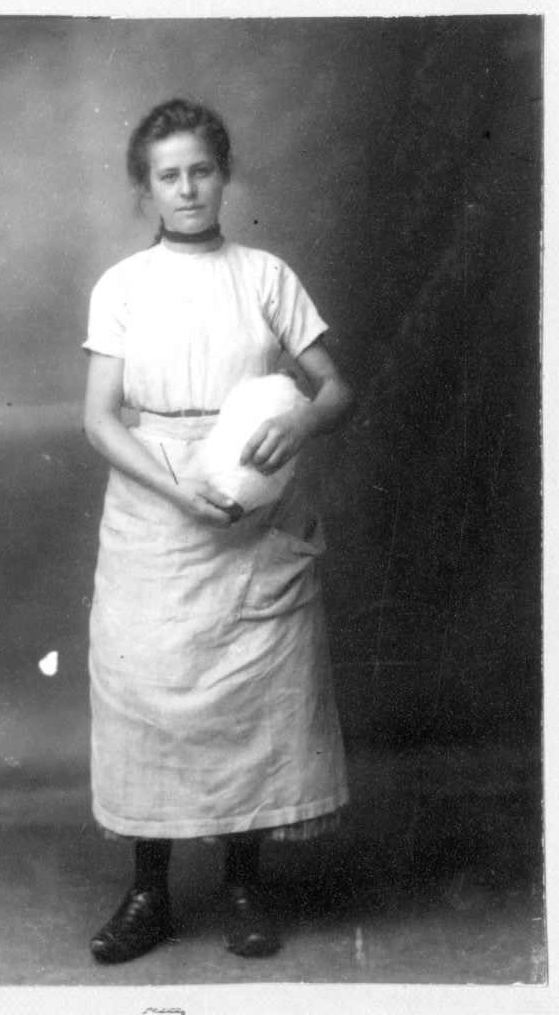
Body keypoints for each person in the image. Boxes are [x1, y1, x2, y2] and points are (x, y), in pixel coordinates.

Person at [82, 98, 355, 964]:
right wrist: (174, 486)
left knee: (253, 702)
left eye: (201, 169)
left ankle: (243, 885)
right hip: (155, 504)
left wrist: (303, 425)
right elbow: (98, 419)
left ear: (223, 174)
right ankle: (148, 894)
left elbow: (334, 388)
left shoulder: (266, 275)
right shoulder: (123, 285)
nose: (187, 187)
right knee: (149, 697)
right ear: (146, 188)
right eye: (168, 174)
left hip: (254, 500)